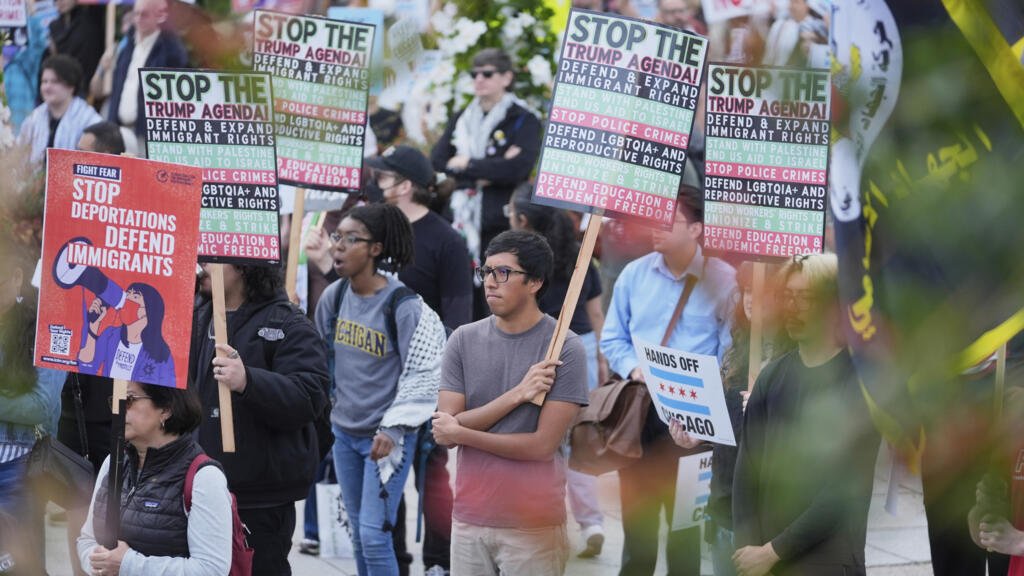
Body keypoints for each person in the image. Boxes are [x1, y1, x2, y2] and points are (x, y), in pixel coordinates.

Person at [432, 230, 590, 575]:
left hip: (531, 524)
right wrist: (517, 394)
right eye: (485, 271)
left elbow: (540, 446)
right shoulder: (463, 339)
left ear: (534, 282)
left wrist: (462, 431)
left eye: (503, 273)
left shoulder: (564, 348)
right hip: (469, 518)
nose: (490, 282)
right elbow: (443, 433)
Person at [601, 184, 736, 576]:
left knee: (686, 533)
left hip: (695, 424)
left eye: (668, 220)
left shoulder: (724, 280)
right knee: (637, 534)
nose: (655, 228)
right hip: (640, 417)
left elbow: (730, 351)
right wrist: (635, 368)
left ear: (696, 229)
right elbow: (613, 336)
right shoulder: (634, 274)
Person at [314, 203, 446, 576]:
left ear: (375, 248)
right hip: (344, 434)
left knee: (374, 535)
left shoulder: (403, 306)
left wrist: (394, 427)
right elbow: (319, 357)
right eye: (337, 236)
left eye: (350, 239)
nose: (338, 246)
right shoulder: (334, 297)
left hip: (385, 441)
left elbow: (424, 372)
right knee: (357, 532)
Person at [731, 253, 880, 576]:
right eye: (787, 296)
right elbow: (746, 474)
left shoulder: (860, 383)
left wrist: (774, 551)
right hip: (763, 562)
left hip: (827, 561)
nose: (792, 307)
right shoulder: (772, 377)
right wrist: (749, 550)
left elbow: (841, 493)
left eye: (805, 297)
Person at [369, 145, 471, 575]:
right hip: (377, 377)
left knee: (431, 474)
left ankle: (438, 562)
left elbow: (459, 318)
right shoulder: (374, 230)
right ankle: (395, 561)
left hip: (428, 380)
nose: (376, 185)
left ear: (405, 186)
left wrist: (442, 383)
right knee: (383, 475)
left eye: (383, 178)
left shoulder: (447, 240)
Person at [190, 263, 330, 576]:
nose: (200, 266)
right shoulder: (197, 316)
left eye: (211, 258)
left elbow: (310, 395)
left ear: (241, 267)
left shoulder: (288, 323)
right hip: (200, 487)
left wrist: (248, 381)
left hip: (259, 496)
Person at [506, 185, 607, 558]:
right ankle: (592, 521)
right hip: (584, 348)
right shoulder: (582, 257)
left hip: (542, 352)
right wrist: (602, 361)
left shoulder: (526, 266)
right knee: (576, 441)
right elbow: (597, 314)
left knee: (540, 441)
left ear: (523, 220)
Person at [430, 48, 542, 320]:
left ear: (506, 78)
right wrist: (491, 168)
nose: (479, 79)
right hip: (459, 219)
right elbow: (438, 159)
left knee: (495, 294)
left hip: (498, 223)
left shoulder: (523, 119)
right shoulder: (461, 118)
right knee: (458, 293)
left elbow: (518, 168)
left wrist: (466, 163)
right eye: (475, 74)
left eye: (487, 73)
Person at [77, 382, 232, 575]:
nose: (118, 409)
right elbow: (86, 539)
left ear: (166, 409)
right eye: (115, 400)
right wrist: (99, 561)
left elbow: (212, 569)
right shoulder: (113, 462)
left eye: (129, 399)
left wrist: (128, 565)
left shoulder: (204, 477)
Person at [0, 235, 65, 573]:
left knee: (17, 564)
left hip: (21, 470)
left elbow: (40, 404)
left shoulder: (49, 325)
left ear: (17, 277)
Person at [107, 0, 188, 144]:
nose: (138, 19)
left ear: (160, 16)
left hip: (147, 135)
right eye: (136, 14)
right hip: (119, 129)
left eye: (144, 15)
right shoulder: (127, 44)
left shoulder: (171, 50)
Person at [76, 281, 176, 383]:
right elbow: (85, 368)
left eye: (136, 297)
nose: (127, 299)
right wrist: (93, 327)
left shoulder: (161, 353)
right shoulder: (111, 335)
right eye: (127, 294)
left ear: (149, 310)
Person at [17, 55, 102, 163]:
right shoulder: (34, 118)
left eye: (55, 82)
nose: (47, 87)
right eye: (44, 81)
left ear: (71, 86)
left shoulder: (90, 120)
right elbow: (18, 155)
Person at [48, 0, 104, 93]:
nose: (61, 1)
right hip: (64, 87)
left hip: (90, 86)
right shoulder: (54, 27)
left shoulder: (91, 18)